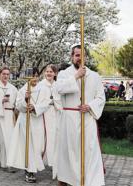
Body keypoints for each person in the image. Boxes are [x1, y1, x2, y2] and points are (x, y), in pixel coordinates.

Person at [54, 44, 106, 186]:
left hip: (87, 118)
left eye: (82, 55)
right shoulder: (64, 74)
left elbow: (101, 98)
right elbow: (59, 89)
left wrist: (89, 106)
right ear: (72, 57)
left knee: (88, 151)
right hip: (69, 120)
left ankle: (90, 181)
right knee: (69, 153)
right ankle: (67, 180)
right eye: (77, 55)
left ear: (86, 57)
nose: (80, 58)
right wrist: (76, 76)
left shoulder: (95, 76)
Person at [0, 67, 18, 171]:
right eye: (4, 74)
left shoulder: (13, 88)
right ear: (0, 75)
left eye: (7, 74)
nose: (6, 76)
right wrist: (1, 100)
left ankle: (8, 163)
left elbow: (17, 103)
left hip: (9, 116)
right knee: (0, 141)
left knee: (10, 140)